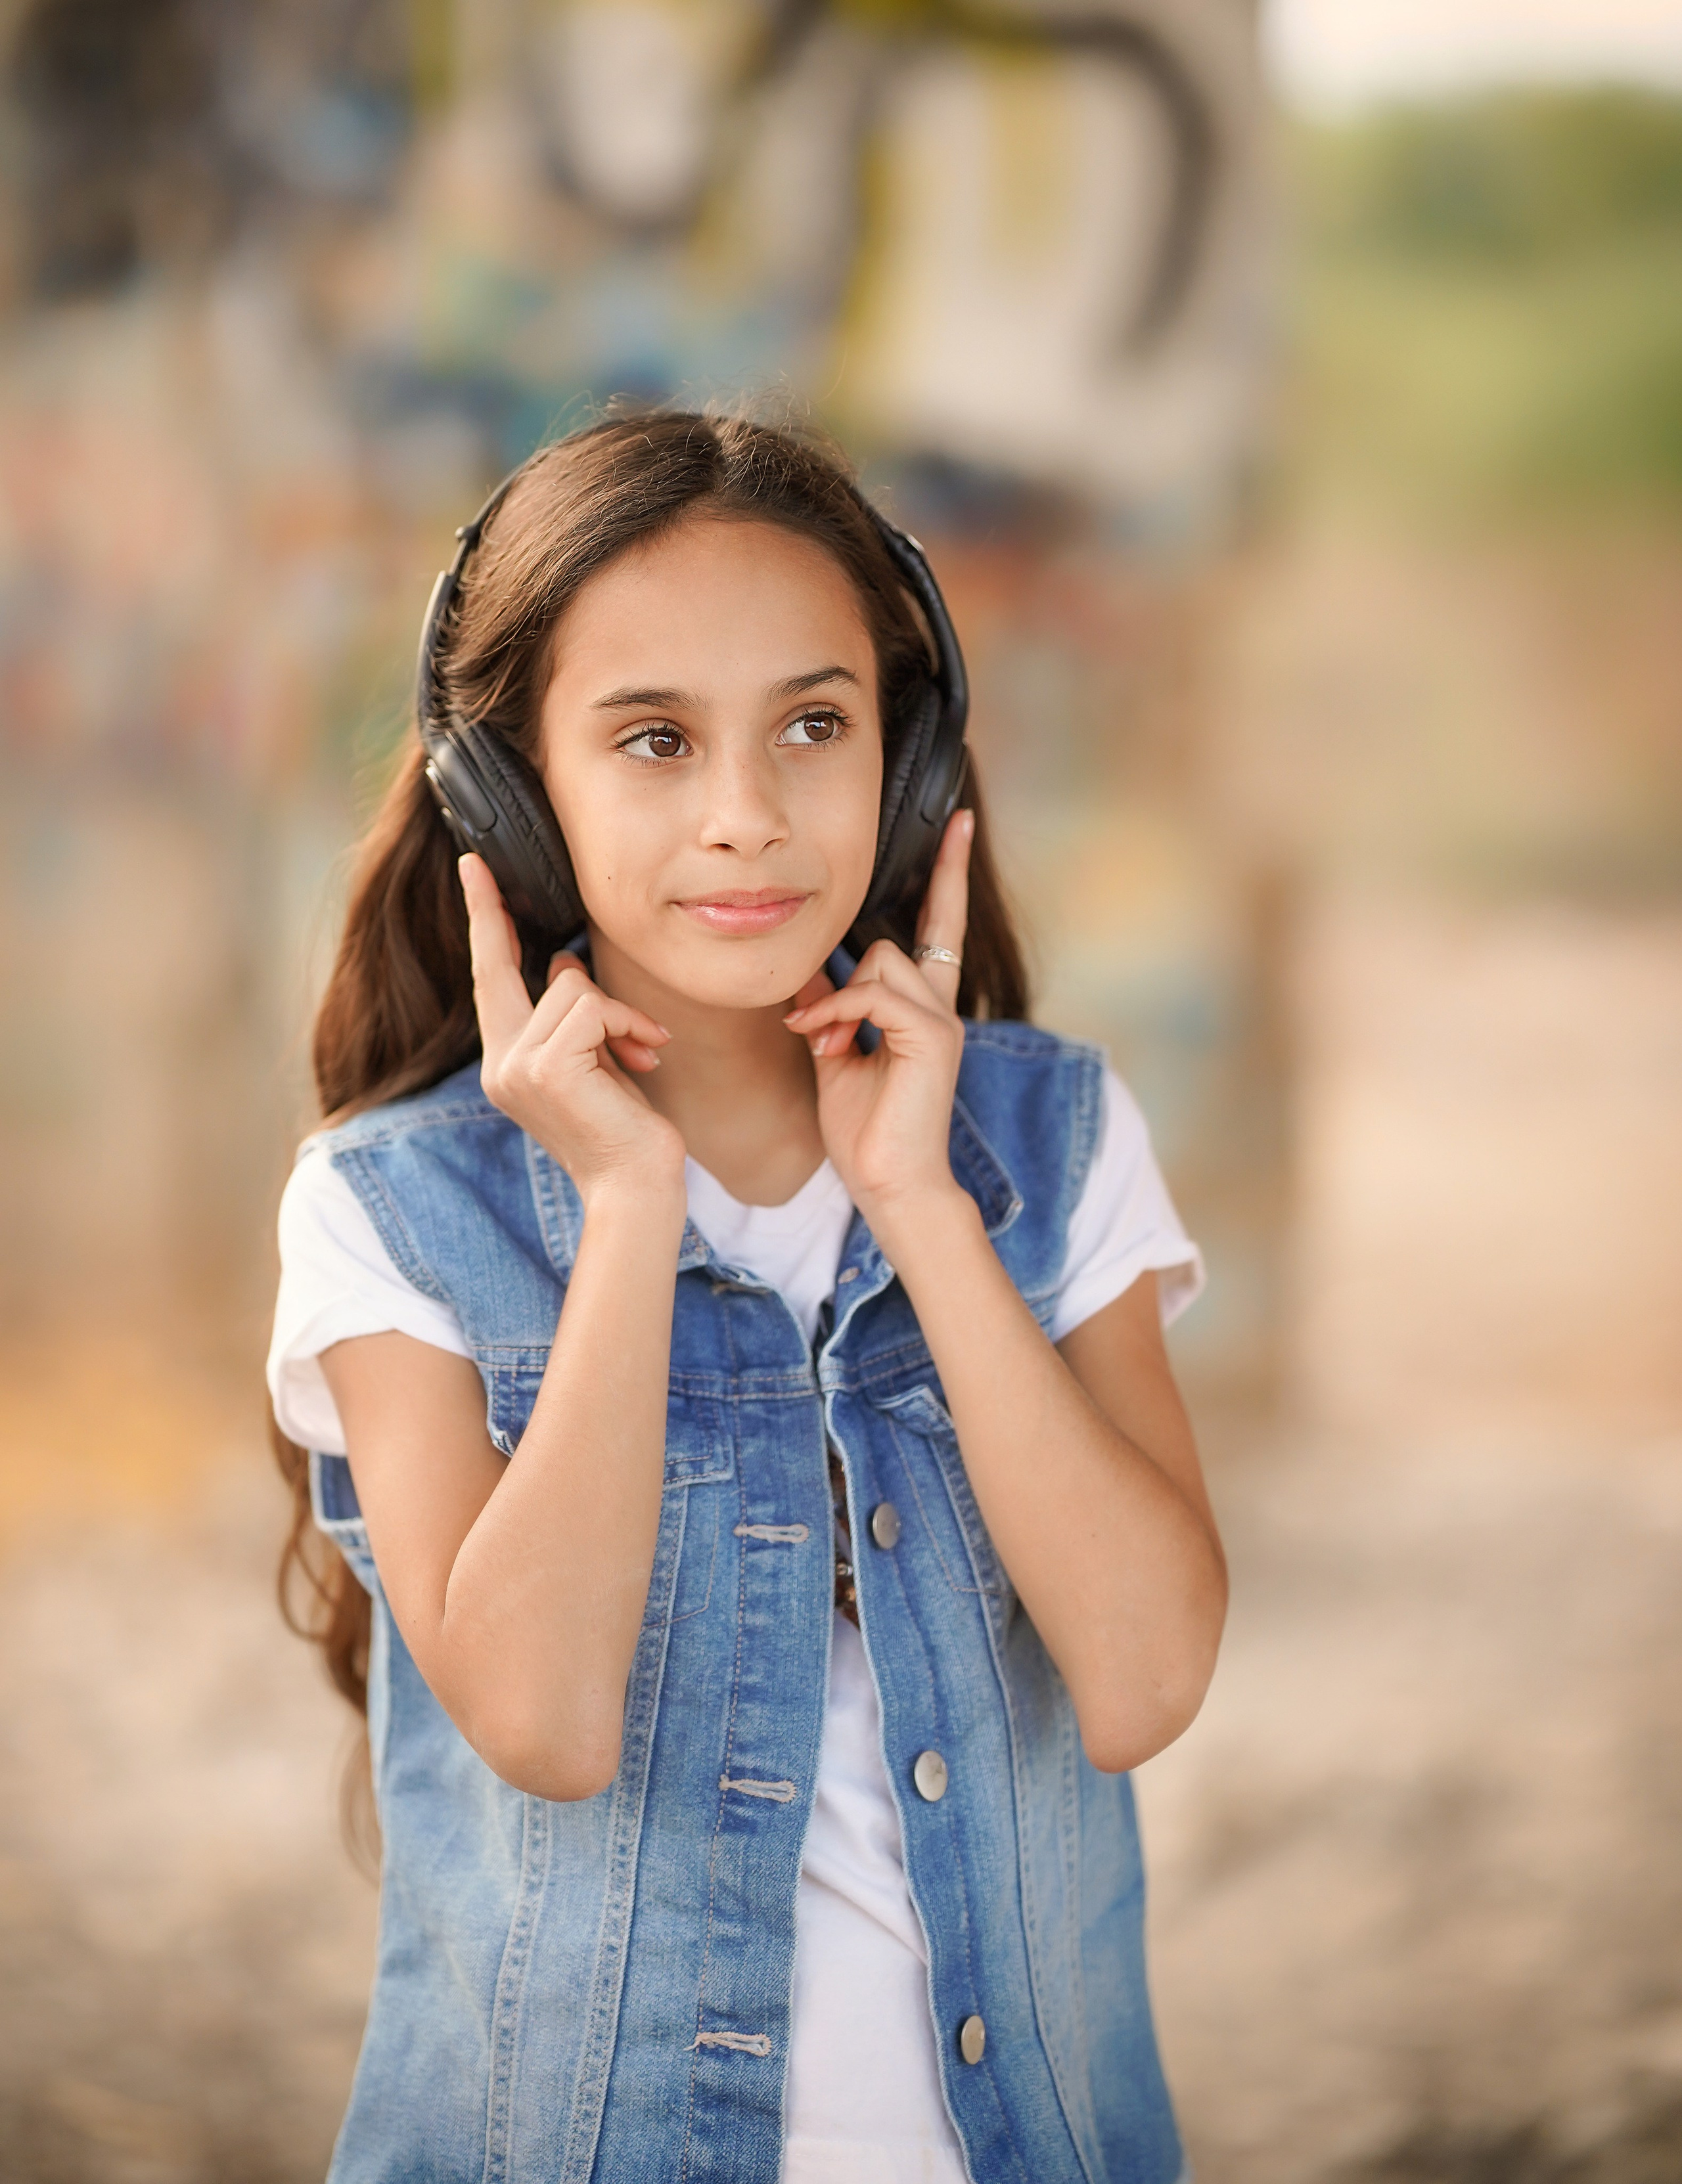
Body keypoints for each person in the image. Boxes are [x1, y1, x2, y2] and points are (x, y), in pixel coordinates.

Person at [267, 410, 1225, 2184]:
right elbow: (545, 1722)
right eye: (652, 741)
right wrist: (628, 1208)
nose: (747, 817)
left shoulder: (1053, 1145)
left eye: (814, 724)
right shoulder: (392, 1213)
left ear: (912, 761)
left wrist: (920, 1206)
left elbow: (1148, 1678)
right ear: (510, 799)